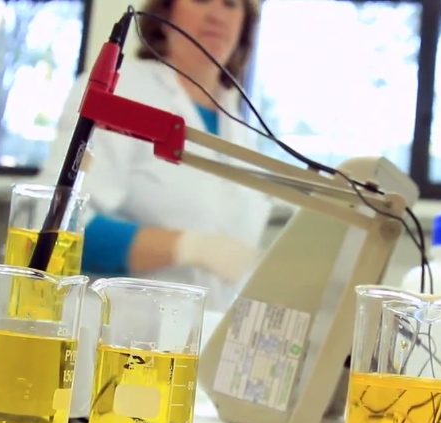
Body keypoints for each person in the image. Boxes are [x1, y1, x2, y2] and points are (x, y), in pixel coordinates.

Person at [41, 0, 272, 310]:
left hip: (208, 329)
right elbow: (58, 224)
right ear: (166, 12)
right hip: (118, 326)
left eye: (231, 4)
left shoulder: (240, 124)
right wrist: (189, 247)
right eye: (201, 0)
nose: (217, 14)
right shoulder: (123, 89)